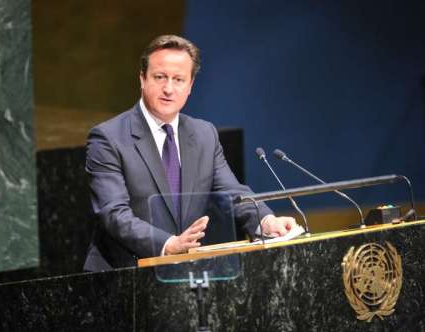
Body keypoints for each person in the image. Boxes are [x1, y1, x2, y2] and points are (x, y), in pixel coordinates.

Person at [84, 35, 296, 272]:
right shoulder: (108, 138)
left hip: (186, 275)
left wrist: (267, 222)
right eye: (160, 77)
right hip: (124, 276)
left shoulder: (204, 134)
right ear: (142, 78)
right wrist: (169, 244)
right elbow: (114, 214)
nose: (168, 89)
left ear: (190, 86)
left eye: (178, 79)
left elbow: (233, 193)